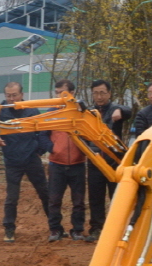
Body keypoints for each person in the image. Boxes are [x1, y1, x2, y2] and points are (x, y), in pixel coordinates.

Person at [0, 81, 51, 243]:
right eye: (8, 96)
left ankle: (55, 226)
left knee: (44, 192)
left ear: (21, 95)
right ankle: (9, 229)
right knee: (12, 197)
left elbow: (42, 132)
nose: (11, 99)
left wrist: (38, 151)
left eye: (14, 95)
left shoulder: (32, 110)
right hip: (12, 161)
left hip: (32, 159)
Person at [46, 79, 88, 242]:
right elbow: (42, 135)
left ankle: (77, 230)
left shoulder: (81, 113)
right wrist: (52, 148)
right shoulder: (51, 113)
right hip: (57, 164)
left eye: (63, 93)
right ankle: (55, 230)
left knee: (78, 201)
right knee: (54, 200)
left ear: (73, 93)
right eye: (57, 93)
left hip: (78, 164)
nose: (60, 96)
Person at [85, 79, 127, 238]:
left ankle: (117, 229)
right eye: (96, 93)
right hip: (95, 160)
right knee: (95, 197)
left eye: (102, 93)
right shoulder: (88, 113)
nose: (99, 96)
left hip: (114, 161)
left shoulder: (116, 109)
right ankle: (96, 228)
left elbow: (128, 110)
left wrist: (119, 111)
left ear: (109, 93)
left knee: (116, 197)